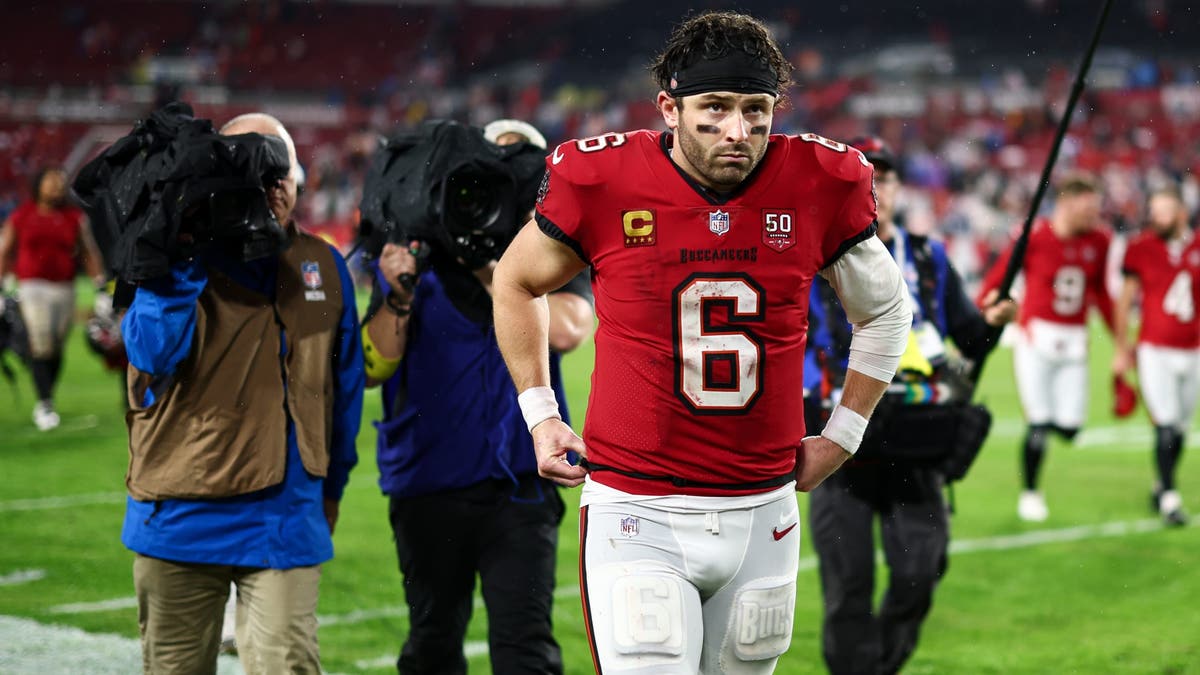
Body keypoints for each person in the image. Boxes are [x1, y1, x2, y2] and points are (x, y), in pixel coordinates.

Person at [492, 11, 912, 673]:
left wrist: (844, 433)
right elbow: (516, 280)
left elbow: (886, 310)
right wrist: (541, 416)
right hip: (639, 507)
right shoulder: (601, 179)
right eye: (715, 107)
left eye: (756, 109)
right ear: (670, 107)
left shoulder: (818, 181)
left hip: (763, 510)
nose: (738, 130)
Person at [120, 112, 363, 674]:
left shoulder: (320, 264)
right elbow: (151, 355)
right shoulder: (168, 249)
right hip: (179, 506)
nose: (271, 186)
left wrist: (334, 486)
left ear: (301, 180)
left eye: (281, 170)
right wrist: (178, 256)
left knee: (289, 666)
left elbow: (341, 389)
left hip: (286, 510)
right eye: (254, 170)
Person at [362, 119, 593, 674]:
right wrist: (397, 294)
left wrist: (497, 268)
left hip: (521, 487)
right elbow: (374, 365)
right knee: (434, 642)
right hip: (428, 484)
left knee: (525, 647)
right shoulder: (417, 251)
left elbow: (567, 329)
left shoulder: (550, 257)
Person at [806, 137, 1017, 675]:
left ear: (899, 188)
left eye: (887, 175)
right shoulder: (811, 255)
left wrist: (991, 324)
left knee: (918, 574)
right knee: (848, 587)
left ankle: (882, 665)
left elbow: (967, 337)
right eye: (866, 174)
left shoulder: (929, 255)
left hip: (918, 438)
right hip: (841, 439)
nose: (878, 184)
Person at [978, 172, 1114, 522]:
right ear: (1066, 204)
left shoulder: (1099, 239)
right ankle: (1031, 493)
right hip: (1036, 336)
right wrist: (987, 302)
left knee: (1069, 428)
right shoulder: (1035, 236)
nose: (1093, 215)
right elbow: (999, 277)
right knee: (1038, 425)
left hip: (1075, 341)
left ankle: (1048, 428)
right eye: (1087, 208)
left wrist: (1121, 341)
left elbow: (1100, 289)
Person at [1112, 186, 1200, 526]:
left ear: (1181, 214)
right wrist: (1122, 347)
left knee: (1179, 429)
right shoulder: (1141, 247)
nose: (1156, 218)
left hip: (1192, 349)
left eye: (1164, 211)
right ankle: (1170, 499)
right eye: (1154, 210)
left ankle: (1161, 485)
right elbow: (1125, 300)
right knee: (1164, 425)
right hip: (1155, 348)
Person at [0, 166, 106, 430]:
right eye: (51, 182)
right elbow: (5, 249)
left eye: (60, 182)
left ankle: (47, 396)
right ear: (39, 185)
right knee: (41, 339)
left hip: (64, 286)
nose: (56, 187)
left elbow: (88, 251)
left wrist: (100, 286)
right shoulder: (23, 214)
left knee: (57, 344)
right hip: (32, 285)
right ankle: (44, 403)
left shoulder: (73, 217)